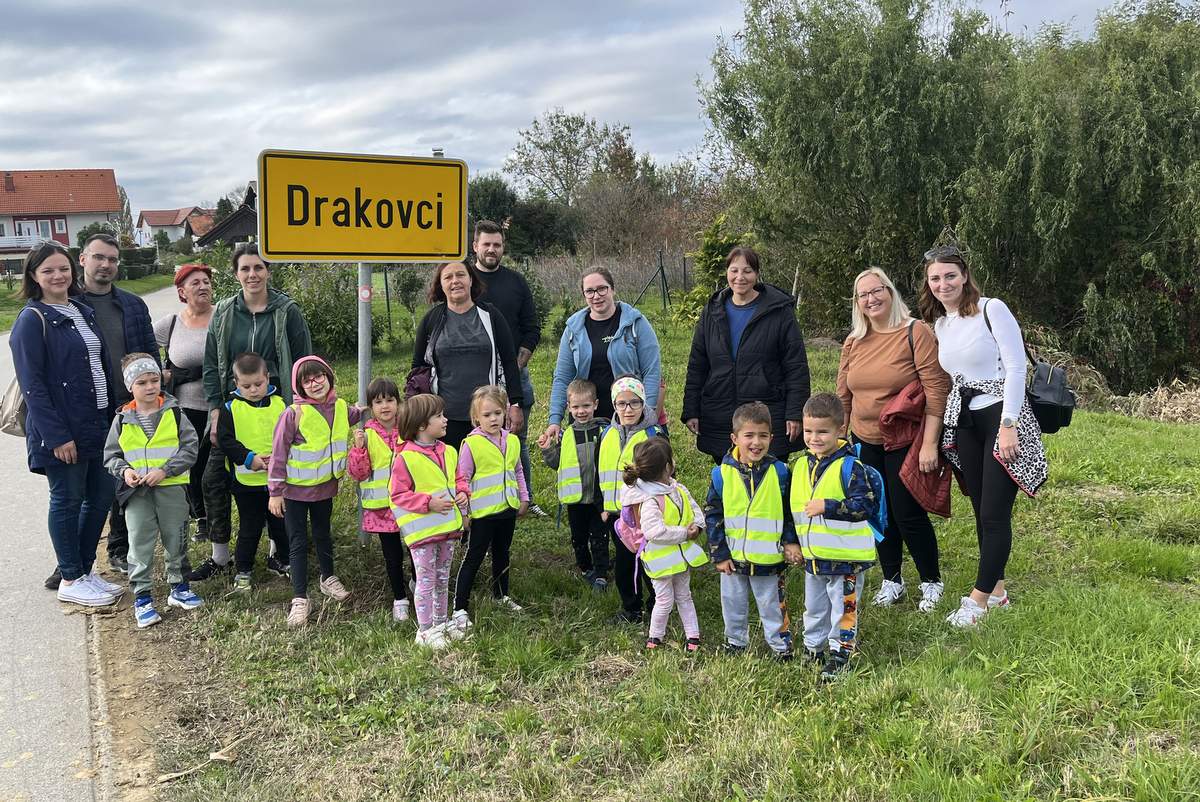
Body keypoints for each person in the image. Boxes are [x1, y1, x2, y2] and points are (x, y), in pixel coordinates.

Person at [921, 246, 1047, 628]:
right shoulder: (942, 323)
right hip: (966, 420)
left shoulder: (993, 309)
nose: (943, 284)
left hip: (1000, 415)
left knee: (994, 514)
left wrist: (1008, 424)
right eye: (935, 278)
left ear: (964, 276)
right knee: (979, 507)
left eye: (949, 276)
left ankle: (976, 602)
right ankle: (998, 592)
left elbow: (1015, 367)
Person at [11, 242, 123, 607]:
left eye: (63, 268)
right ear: (34, 277)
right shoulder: (32, 320)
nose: (58, 276)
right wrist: (56, 435)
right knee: (67, 500)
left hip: (98, 422)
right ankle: (71, 577)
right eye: (48, 271)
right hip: (64, 429)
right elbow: (33, 386)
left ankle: (85, 570)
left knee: (101, 497)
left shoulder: (80, 309)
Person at [194, 243, 312, 582]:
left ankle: (280, 550)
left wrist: (300, 410)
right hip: (234, 412)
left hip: (277, 410)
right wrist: (216, 410)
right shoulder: (225, 313)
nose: (252, 274)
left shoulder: (287, 311)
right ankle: (220, 556)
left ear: (268, 271)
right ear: (236, 274)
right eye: (245, 269)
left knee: (282, 481)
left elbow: (303, 363)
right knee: (214, 480)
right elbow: (211, 365)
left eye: (259, 268)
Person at [837, 267, 950, 612]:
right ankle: (892, 579)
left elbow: (936, 390)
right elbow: (843, 395)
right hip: (863, 438)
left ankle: (931, 581)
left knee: (906, 511)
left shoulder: (916, 332)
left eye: (877, 291)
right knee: (878, 512)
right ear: (857, 302)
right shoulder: (854, 341)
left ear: (890, 291)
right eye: (863, 294)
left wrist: (930, 443)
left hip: (904, 438)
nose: (871, 299)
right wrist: (840, 440)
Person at [74, 233, 159, 582]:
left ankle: (119, 549)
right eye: (99, 257)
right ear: (83, 259)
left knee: (125, 479)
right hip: (86, 408)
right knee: (84, 489)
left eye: (112, 259)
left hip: (127, 407)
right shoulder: (69, 304)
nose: (106, 264)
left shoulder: (133, 305)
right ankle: (75, 560)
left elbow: (151, 354)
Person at [102, 353, 203, 627]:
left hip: (171, 489)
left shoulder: (174, 412)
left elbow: (190, 448)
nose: (150, 386)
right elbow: (111, 456)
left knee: (176, 539)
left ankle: (179, 587)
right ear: (130, 387)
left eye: (154, 379)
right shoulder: (121, 420)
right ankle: (143, 598)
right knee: (139, 544)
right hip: (137, 495)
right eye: (142, 382)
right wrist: (126, 472)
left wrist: (165, 471)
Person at [683, 246, 810, 462]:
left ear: (757, 274)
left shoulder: (779, 311)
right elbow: (698, 364)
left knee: (771, 484)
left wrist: (795, 412)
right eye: (734, 271)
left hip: (769, 413)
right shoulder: (712, 311)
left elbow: (796, 366)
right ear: (727, 273)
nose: (740, 277)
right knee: (730, 485)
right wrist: (691, 409)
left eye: (747, 271)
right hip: (720, 413)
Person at [786, 393, 879, 681]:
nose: (814, 438)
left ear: (840, 430)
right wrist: (791, 541)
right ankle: (813, 648)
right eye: (809, 431)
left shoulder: (852, 468)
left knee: (843, 608)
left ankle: (842, 653)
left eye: (822, 431)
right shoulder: (800, 466)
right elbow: (791, 509)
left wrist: (828, 506)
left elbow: (864, 506)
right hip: (814, 558)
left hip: (845, 560)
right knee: (813, 608)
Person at [267, 355, 362, 627]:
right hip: (295, 493)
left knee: (323, 534)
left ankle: (327, 577)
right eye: (306, 380)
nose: (315, 383)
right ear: (299, 386)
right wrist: (275, 491)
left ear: (329, 376)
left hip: (325, 488)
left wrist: (364, 408)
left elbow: (353, 415)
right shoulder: (293, 414)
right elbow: (278, 454)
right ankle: (299, 598)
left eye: (319, 376)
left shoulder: (341, 407)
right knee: (297, 542)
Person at [705, 401, 796, 659]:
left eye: (763, 435)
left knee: (772, 605)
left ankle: (781, 647)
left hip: (769, 558)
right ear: (735, 438)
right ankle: (735, 642)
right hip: (733, 559)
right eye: (749, 435)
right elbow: (713, 515)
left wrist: (790, 541)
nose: (756, 442)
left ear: (771, 438)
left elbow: (789, 512)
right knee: (733, 604)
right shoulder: (721, 475)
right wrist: (719, 554)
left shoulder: (780, 473)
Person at [472, 220, 546, 516]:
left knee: (517, 438)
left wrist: (515, 366)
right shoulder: (464, 280)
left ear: (503, 247)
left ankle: (525, 500)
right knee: (476, 440)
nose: (491, 249)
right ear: (475, 246)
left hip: (515, 375)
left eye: (497, 244)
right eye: (486, 244)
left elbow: (532, 328)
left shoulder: (516, 282)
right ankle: (481, 500)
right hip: (474, 376)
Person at [411, 261, 524, 449]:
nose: (455, 281)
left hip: (487, 417)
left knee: (488, 472)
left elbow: (509, 362)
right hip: (444, 419)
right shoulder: (431, 320)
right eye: (448, 277)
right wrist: (419, 411)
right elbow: (417, 367)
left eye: (460, 275)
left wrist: (516, 403)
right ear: (441, 284)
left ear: (471, 280)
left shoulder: (491, 315)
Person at [542, 267, 661, 443]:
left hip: (627, 414)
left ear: (612, 289)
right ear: (584, 295)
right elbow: (562, 377)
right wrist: (555, 419)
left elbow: (652, 371)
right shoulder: (573, 330)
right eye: (589, 291)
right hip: (586, 415)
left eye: (601, 288)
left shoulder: (636, 323)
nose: (596, 296)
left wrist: (646, 414)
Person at [389, 394, 468, 650]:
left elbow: (458, 479)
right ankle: (425, 630)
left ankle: (441, 623)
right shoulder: (405, 458)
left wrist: (464, 492)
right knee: (425, 579)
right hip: (422, 533)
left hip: (448, 529)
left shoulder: (450, 451)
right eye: (439, 416)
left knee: (443, 578)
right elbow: (398, 495)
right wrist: (428, 503)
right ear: (422, 425)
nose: (446, 420)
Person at [451, 385, 530, 636]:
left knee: (502, 553)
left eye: (497, 413)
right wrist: (464, 514)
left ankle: (501, 595)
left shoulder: (513, 440)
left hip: (507, 510)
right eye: (487, 415)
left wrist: (524, 497)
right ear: (476, 418)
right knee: (473, 557)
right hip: (483, 515)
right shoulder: (471, 445)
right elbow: (461, 479)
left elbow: (517, 471)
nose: (493, 419)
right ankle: (459, 608)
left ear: (505, 413)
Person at [618, 438, 706, 652]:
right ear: (668, 466)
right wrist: (685, 533)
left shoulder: (678, 489)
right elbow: (653, 531)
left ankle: (693, 636)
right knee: (664, 600)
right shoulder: (649, 500)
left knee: (684, 596)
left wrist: (698, 526)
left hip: (681, 557)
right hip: (661, 562)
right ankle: (655, 637)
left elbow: (695, 511)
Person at [214, 352, 289, 589]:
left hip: (277, 481)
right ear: (236, 384)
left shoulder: (280, 404)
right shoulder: (229, 408)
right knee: (250, 526)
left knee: (280, 524)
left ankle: (281, 560)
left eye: (258, 383)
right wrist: (249, 459)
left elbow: (290, 435)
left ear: (268, 378)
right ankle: (243, 570)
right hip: (246, 483)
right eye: (246, 386)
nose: (254, 390)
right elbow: (226, 440)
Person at [154, 262, 215, 541]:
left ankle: (223, 514)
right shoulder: (171, 324)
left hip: (220, 405)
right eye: (195, 283)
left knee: (217, 465)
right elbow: (138, 350)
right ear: (182, 291)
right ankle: (200, 518)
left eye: (206, 281)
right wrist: (161, 374)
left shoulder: (222, 317)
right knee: (193, 464)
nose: (203, 286)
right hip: (186, 407)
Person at [598, 376, 666, 624]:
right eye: (622, 404)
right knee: (625, 566)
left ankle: (658, 603)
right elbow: (601, 471)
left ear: (643, 404)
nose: (628, 410)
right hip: (617, 515)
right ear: (614, 405)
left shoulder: (653, 434)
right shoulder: (607, 433)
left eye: (634, 403)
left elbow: (664, 476)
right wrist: (604, 506)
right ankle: (631, 609)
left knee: (650, 563)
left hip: (645, 514)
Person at [347, 377, 411, 622]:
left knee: (415, 549)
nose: (385, 406)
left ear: (398, 402)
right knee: (392, 556)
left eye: (390, 400)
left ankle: (417, 583)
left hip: (409, 505)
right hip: (382, 510)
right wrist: (359, 448)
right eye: (378, 402)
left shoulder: (408, 430)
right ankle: (399, 598)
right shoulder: (367, 434)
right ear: (371, 407)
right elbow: (358, 473)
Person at [539, 379, 610, 591]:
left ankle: (601, 574)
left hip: (599, 499)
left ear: (595, 405)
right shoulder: (566, 435)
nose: (581, 411)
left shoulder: (605, 432)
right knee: (578, 538)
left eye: (586, 406)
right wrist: (546, 450)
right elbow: (556, 464)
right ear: (568, 408)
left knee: (600, 537)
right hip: (576, 500)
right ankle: (585, 567)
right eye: (576, 407)